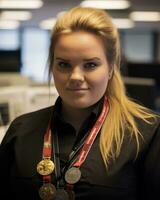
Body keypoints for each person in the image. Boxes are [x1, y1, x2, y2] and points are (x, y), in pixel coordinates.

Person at [0, 6, 160, 200]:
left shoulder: (145, 133)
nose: (75, 76)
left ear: (110, 68)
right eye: (64, 64)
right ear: (52, 67)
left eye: (90, 65)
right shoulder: (21, 130)